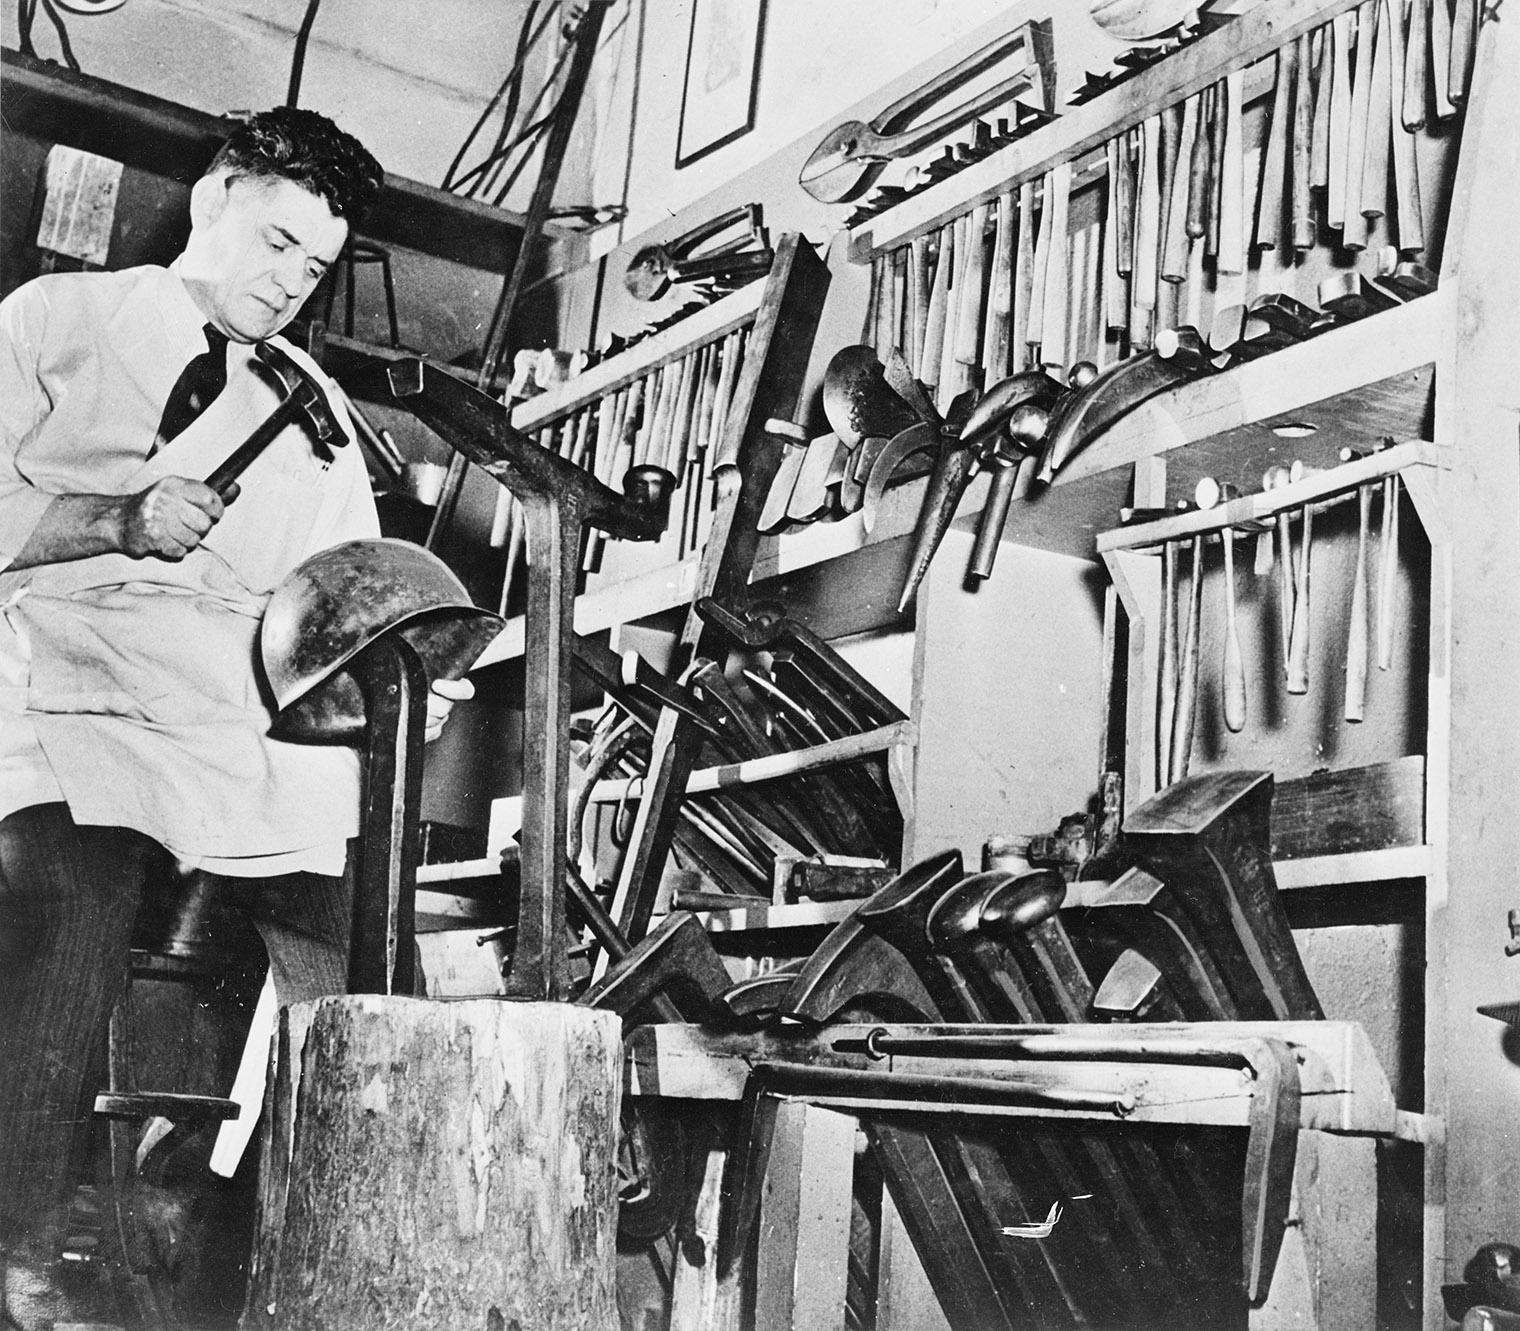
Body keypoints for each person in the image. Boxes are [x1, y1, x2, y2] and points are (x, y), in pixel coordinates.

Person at [0, 107, 472, 1328]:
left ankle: (245, 1240)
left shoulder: (312, 402)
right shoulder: (56, 321)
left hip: (233, 712)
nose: (286, 284)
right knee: (82, 887)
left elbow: (334, 590)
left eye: (312, 268)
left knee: (363, 946)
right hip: (68, 667)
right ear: (213, 196)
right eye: (272, 244)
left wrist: (395, 673)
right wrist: (114, 519)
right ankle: (18, 1248)